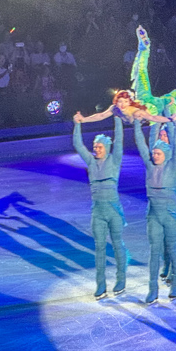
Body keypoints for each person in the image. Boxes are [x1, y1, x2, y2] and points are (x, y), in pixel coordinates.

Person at [72, 112, 128, 299]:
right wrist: (78, 124)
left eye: (100, 146)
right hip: (98, 212)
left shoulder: (114, 159)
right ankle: (101, 285)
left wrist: (118, 119)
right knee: (100, 248)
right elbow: (78, 145)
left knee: (118, 245)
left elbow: (119, 140)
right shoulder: (90, 161)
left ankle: (121, 280)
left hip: (114, 210)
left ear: (107, 147)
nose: (96, 149)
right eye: (95, 146)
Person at [133, 111, 176, 303]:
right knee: (155, 251)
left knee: (171, 247)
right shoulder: (150, 166)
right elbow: (140, 144)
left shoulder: (173, 165)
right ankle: (152, 288)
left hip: (170, 213)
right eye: (153, 152)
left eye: (158, 153)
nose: (154, 155)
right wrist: (137, 124)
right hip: (154, 214)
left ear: (166, 154)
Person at [149, 121, 176, 284]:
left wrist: (174, 122)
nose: (163, 138)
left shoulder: (170, 156)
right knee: (160, 239)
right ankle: (167, 265)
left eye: (165, 135)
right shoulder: (157, 153)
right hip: (156, 203)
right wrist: (153, 119)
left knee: (172, 239)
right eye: (161, 135)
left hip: (172, 202)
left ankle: (174, 270)